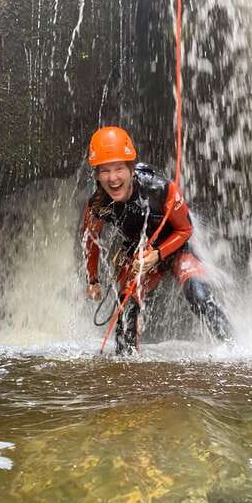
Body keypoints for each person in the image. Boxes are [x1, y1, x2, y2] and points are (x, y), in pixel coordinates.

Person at [81, 126, 232, 354]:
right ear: (97, 174)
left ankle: (232, 347)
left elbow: (185, 229)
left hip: (177, 246)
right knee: (127, 310)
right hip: (139, 252)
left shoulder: (160, 189)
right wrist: (92, 281)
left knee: (197, 292)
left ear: (131, 169)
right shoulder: (98, 205)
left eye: (119, 169)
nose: (113, 178)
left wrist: (158, 254)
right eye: (105, 171)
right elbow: (91, 240)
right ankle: (127, 365)